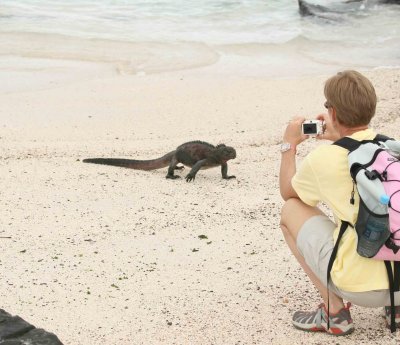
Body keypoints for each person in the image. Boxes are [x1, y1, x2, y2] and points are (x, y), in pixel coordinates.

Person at [279, 70, 400, 336]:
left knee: (291, 211)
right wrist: (340, 137)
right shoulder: (392, 149)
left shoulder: (325, 159)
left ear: (332, 113)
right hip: (398, 287)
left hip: (360, 289)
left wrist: (289, 145)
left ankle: (335, 313)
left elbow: (288, 192)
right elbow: (359, 146)